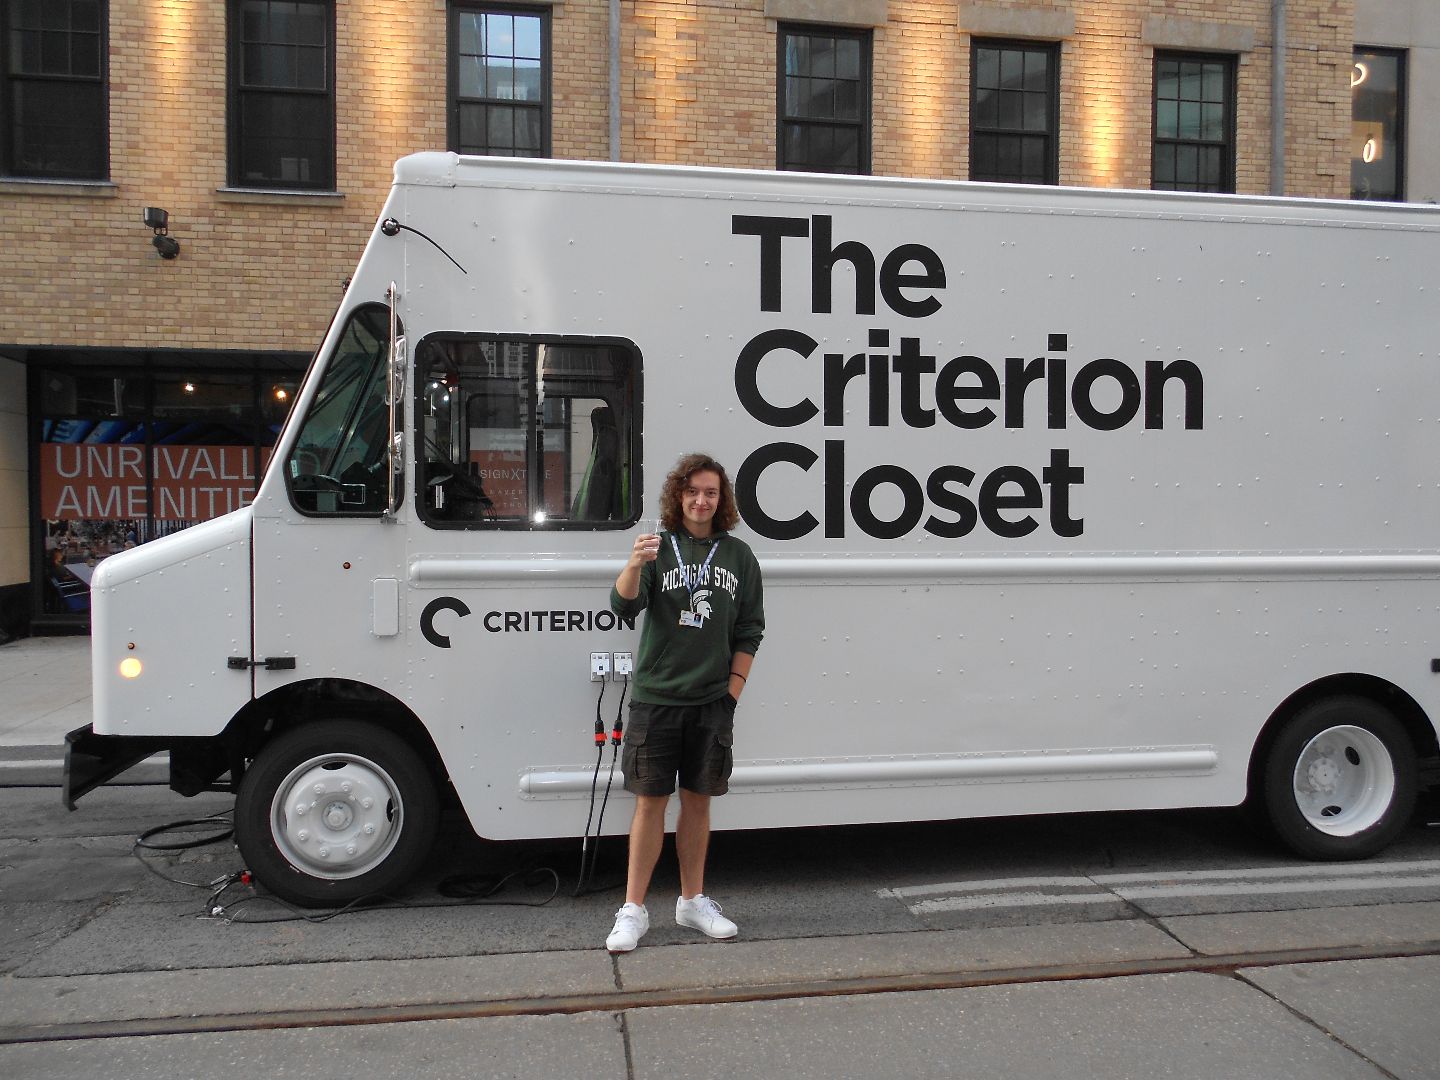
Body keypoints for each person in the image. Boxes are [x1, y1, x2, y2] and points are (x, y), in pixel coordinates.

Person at [605, 452, 765, 953]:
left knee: (698, 802)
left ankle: (692, 902)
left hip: (712, 703)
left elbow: (750, 631)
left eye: (711, 492)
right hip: (656, 700)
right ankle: (632, 910)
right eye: (693, 491)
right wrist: (633, 564)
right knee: (650, 803)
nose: (701, 500)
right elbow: (623, 606)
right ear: (679, 496)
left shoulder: (739, 557)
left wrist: (731, 695)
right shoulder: (659, 549)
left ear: (722, 500)